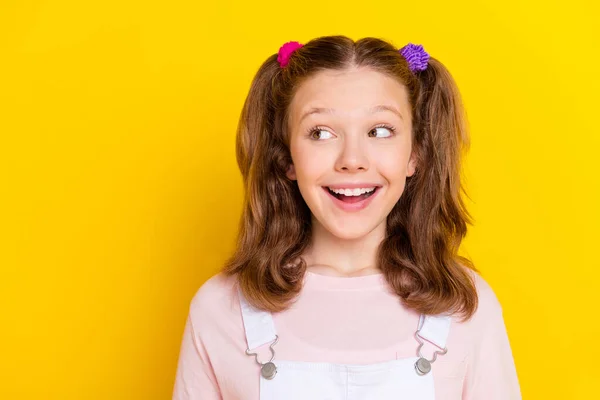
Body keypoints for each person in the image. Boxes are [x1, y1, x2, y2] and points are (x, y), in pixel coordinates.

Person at [172, 35, 521, 399]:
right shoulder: (218, 309)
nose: (352, 159)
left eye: (380, 131)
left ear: (414, 154)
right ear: (287, 156)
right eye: (320, 133)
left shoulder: (465, 306)